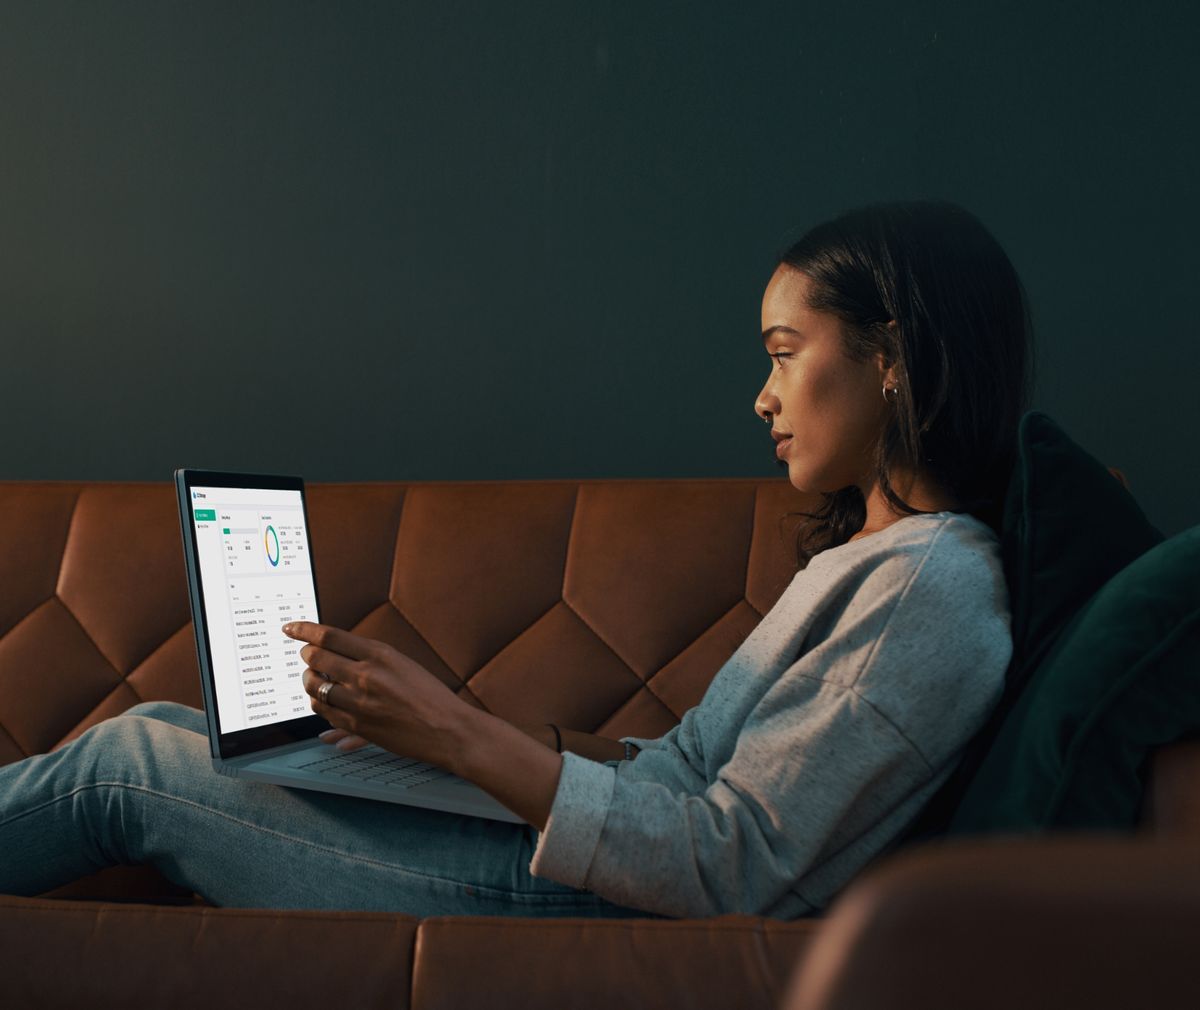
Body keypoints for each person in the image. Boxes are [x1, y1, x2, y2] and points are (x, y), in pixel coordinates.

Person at [0, 199, 1031, 920]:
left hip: (567, 895)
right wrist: (447, 742)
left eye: (782, 351)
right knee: (183, 730)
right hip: (565, 856)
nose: (762, 397)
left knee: (125, 762)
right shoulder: (878, 559)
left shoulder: (928, 591)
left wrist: (458, 734)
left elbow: (732, 865)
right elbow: (680, 776)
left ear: (890, 355)